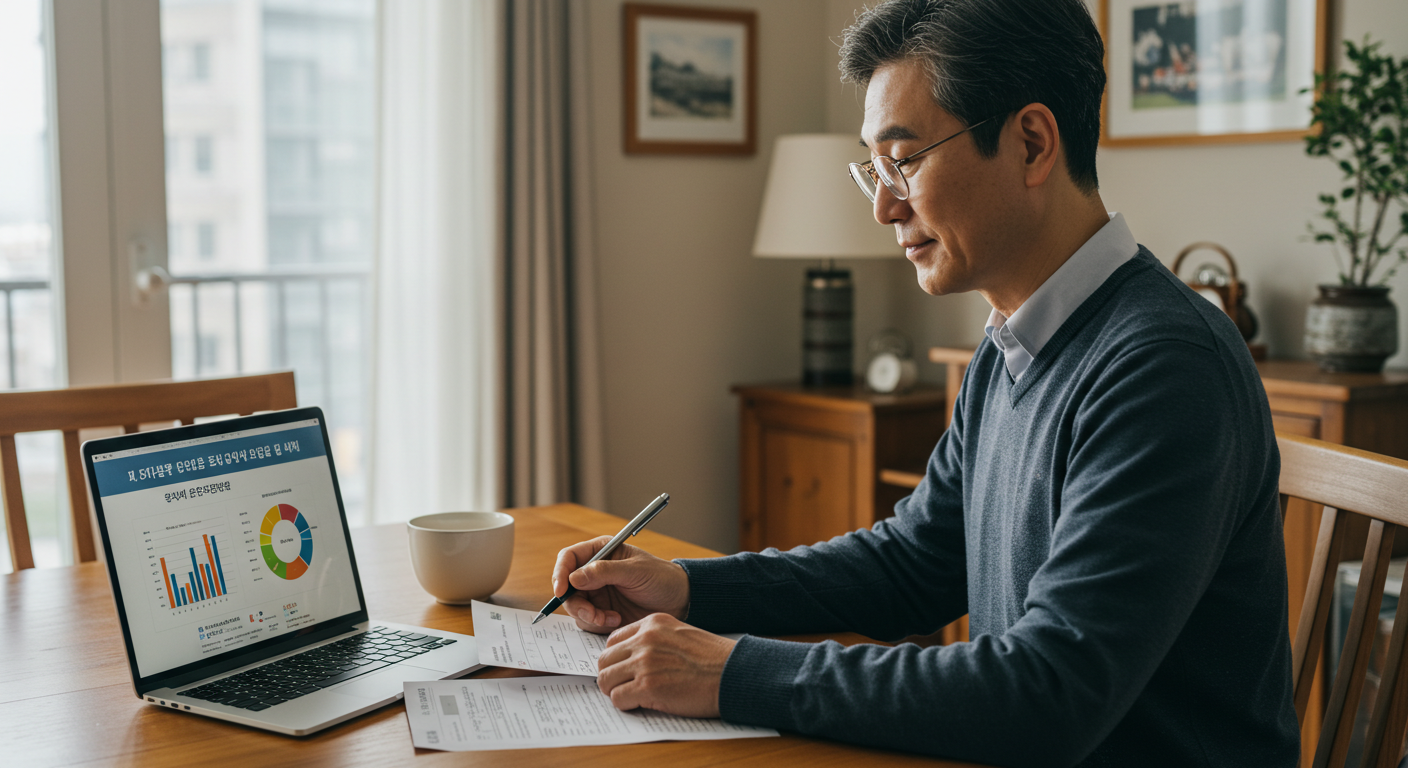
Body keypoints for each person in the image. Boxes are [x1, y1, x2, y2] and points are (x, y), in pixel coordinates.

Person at [550, 1, 1299, 765]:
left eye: (903, 160)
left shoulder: (1165, 366)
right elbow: (913, 565)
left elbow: (1049, 693)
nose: (883, 205)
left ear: (1032, 143)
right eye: (874, 169)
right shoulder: (1015, 340)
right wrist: (686, 588)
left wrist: (732, 669)